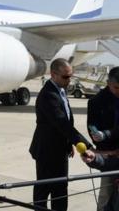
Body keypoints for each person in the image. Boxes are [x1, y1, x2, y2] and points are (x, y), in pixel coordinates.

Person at [29, 58, 92, 211]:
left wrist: (68, 143)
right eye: (65, 77)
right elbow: (62, 123)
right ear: (53, 74)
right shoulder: (48, 95)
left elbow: (66, 122)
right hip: (46, 150)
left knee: (61, 189)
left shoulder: (61, 90)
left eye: (71, 76)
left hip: (60, 150)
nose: (69, 80)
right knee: (43, 190)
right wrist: (86, 145)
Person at [87, 66, 119, 211]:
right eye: (116, 87)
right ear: (108, 83)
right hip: (108, 154)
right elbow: (92, 125)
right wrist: (97, 135)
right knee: (106, 193)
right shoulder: (96, 102)